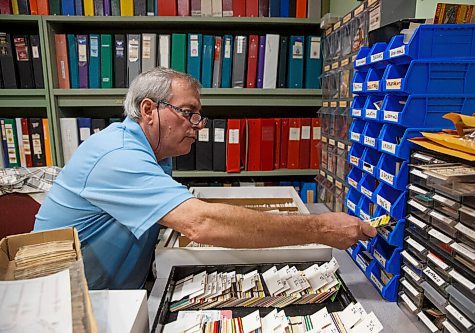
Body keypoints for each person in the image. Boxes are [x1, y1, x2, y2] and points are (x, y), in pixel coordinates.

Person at [34, 67, 377, 290]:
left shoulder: (155, 153)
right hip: (71, 311)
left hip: (121, 292)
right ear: (149, 110)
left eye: (199, 115)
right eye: (188, 113)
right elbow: (200, 223)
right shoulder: (117, 155)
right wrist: (320, 229)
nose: (198, 125)